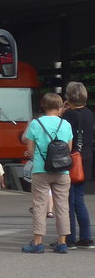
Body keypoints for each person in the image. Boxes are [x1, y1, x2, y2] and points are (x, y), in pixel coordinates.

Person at [21, 92, 73, 253]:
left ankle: (37, 243)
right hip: (62, 172)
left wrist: (38, 155)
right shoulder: (66, 124)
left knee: (39, 206)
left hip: (41, 170)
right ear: (59, 107)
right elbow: (69, 149)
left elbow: (29, 149)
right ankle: (62, 242)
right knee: (62, 206)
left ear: (43, 105)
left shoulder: (36, 123)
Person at [62, 81, 94, 248]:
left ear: (69, 97)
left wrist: (61, 111)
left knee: (68, 201)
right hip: (86, 160)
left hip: (72, 161)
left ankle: (69, 237)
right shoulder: (89, 113)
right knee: (79, 200)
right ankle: (86, 237)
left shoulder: (69, 116)